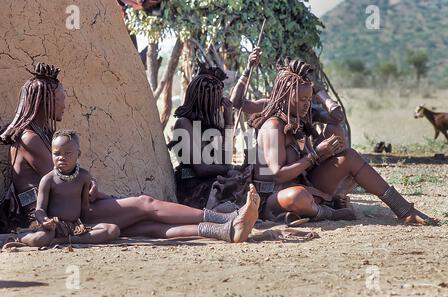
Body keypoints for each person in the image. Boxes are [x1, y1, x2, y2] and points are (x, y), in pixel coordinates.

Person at [0, 63, 260, 247]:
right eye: (61, 97)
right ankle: (227, 217)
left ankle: (224, 230)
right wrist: (95, 189)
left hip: (71, 209)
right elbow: (63, 180)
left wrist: (92, 187)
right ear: (46, 101)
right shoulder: (29, 138)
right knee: (145, 203)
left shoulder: (39, 135)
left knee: (149, 227)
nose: (65, 102)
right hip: (61, 218)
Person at [234, 58, 437, 225]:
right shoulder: (273, 126)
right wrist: (316, 155)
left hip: (304, 185)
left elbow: (336, 116)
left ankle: (403, 209)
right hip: (274, 198)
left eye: (308, 99)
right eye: (302, 100)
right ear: (286, 97)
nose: (306, 105)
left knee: (349, 157)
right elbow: (278, 174)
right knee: (297, 197)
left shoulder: (299, 119)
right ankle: (328, 213)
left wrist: (320, 93)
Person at [169, 48, 264, 209]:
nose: (219, 102)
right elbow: (201, 169)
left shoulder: (212, 125)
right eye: (216, 98)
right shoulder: (184, 124)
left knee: (251, 174)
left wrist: (228, 120)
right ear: (204, 99)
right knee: (235, 180)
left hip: (211, 182)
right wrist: (232, 169)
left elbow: (224, 159)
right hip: (193, 189)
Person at [5, 129, 120, 247]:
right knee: (41, 238)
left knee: (113, 230)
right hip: (54, 227)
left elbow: (85, 206)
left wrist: (85, 226)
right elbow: (39, 210)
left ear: (78, 154)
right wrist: (45, 221)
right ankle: (20, 238)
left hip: (75, 226)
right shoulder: (48, 180)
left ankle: (64, 241)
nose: (61, 157)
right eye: (56, 154)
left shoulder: (84, 177)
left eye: (67, 153)